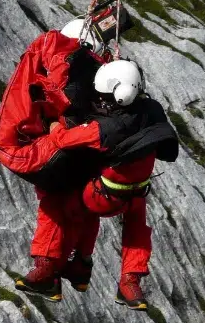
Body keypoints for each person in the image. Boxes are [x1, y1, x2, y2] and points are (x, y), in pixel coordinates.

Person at [16, 60, 179, 310]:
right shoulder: (151, 109)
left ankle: (48, 269)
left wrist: (55, 124)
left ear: (118, 96)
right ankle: (128, 281)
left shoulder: (106, 129)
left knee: (57, 203)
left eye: (105, 97)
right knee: (135, 227)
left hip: (103, 196)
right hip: (136, 192)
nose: (101, 101)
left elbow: (63, 139)